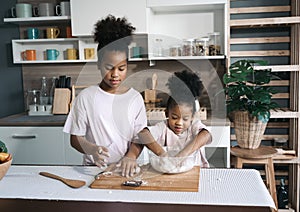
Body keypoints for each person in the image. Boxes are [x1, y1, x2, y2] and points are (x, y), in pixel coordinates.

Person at [63, 15, 147, 177]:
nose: (115, 74)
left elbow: (140, 136)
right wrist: (92, 149)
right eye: (109, 67)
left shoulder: (134, 98)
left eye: (121, 68)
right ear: (98, 64)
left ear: (127, 66)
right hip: (92, 170)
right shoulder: (86, 97)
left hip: (126, 169)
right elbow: (75, 138)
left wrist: (130, 157)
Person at [139, 70, 212, 167]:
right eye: (174, 117)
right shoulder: (163, 127)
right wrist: (163, 155)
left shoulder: (194, 126)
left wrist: (182, 155)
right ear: (166, 113)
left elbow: (206, 135)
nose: (179, 123)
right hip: (169, 172)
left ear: (192, 117)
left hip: (194, 171)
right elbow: (143, 134)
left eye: (185, 119)